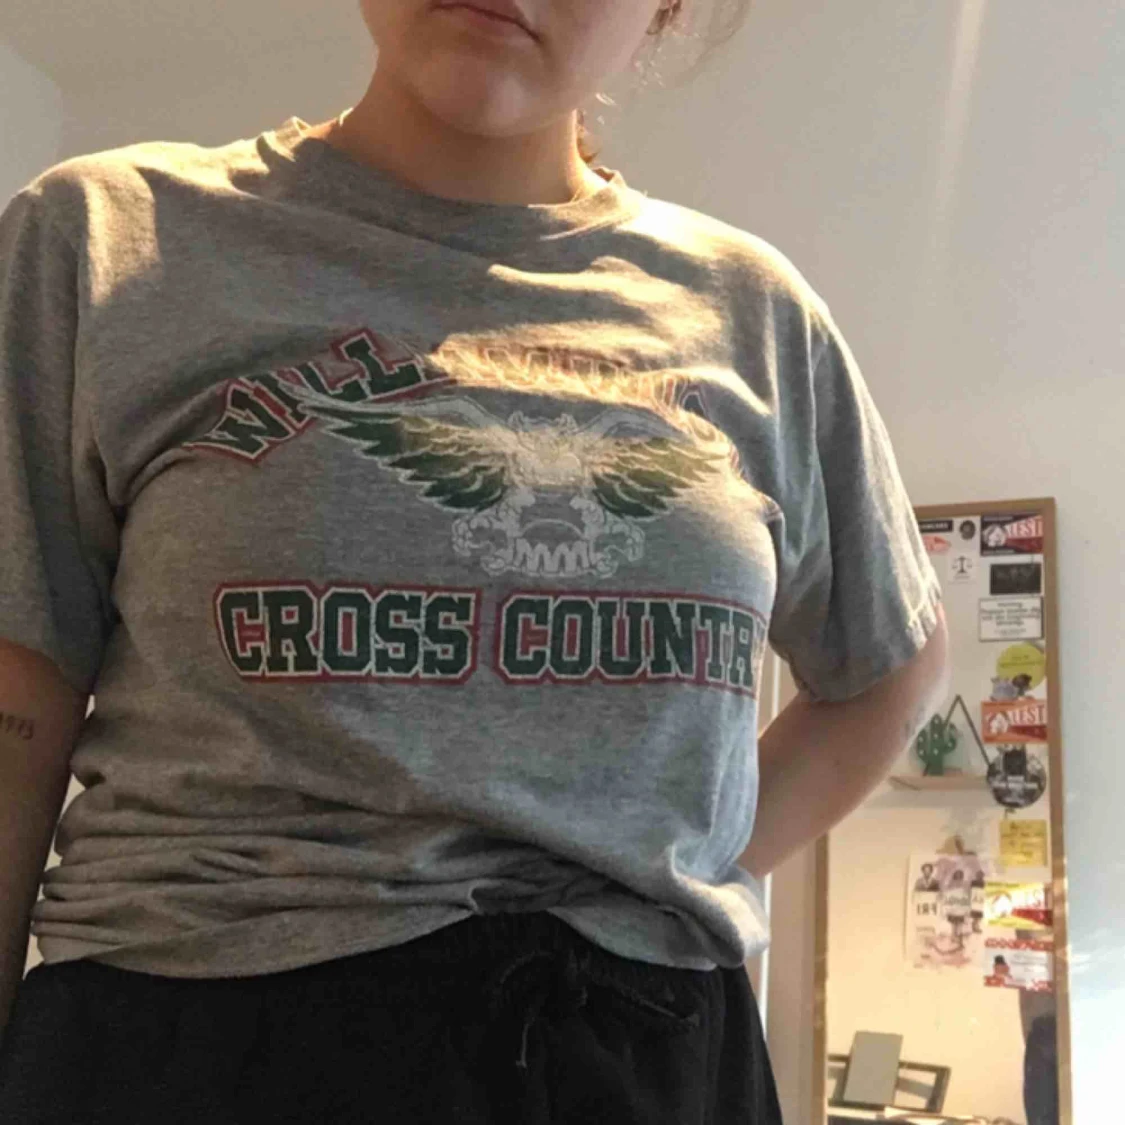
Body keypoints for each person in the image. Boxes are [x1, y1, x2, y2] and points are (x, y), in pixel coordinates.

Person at [0, 0, 950, 1120]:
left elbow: (887, 669)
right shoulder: (105, 240)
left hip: (643, 1055)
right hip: (198, 1048)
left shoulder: (757, 315)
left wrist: (668, 865)